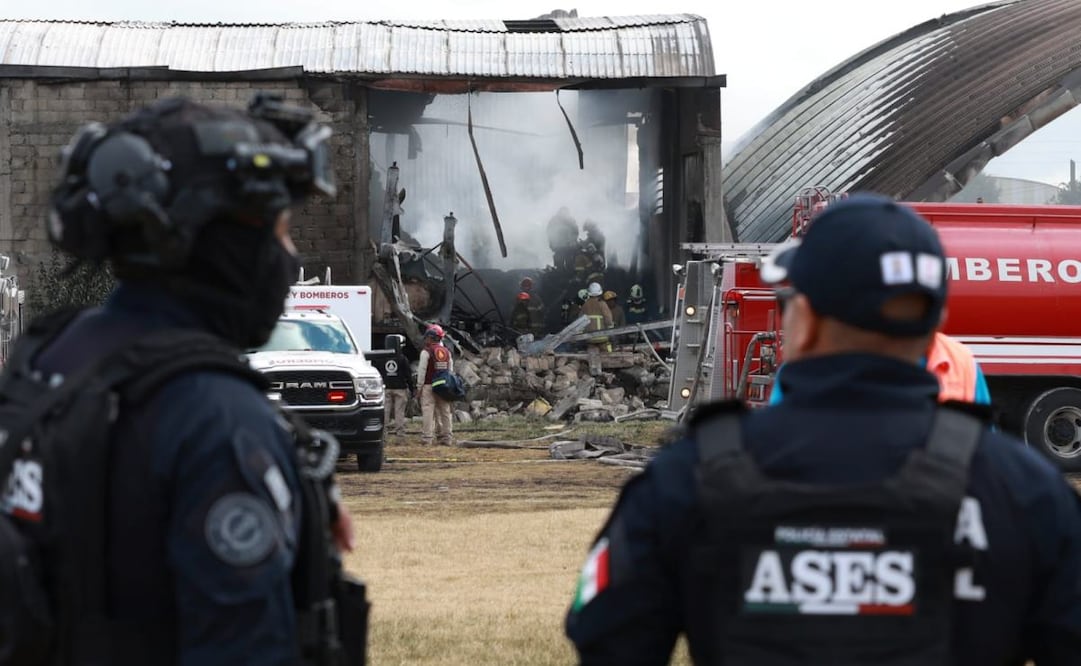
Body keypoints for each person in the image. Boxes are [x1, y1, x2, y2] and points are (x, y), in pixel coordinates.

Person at [565, 193, 1081, 665]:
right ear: (935, 320)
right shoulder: (1027, 494)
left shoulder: (687, 480)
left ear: (805, 319)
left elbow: (609, 640)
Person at [8, 95, 361, 664]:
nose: (289, 255)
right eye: (281, 229)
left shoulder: (48, 355)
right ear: (216, 238)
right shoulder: (216, 417)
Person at [417, 324, 453, 446]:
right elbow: (450, 371)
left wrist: (419, 388)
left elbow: (422, 372)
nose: (425, 339)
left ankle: (427, 439)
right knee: (445, 412)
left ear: (431, 337)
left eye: (427, 337)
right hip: (444, 386)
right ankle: (447, 437)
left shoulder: (426, 352)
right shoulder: (447, 352)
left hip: (428, 385)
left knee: (428, 412)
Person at [383, 334, 416, 436]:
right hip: (400, 388)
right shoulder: (403, 359)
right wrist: (412, 388)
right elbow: (408, 375)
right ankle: (400, 431)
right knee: (399, 411)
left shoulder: (381, 358)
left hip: (386, 388)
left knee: (385, 410)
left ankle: (383, 431)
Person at [580, 282, 613, 353]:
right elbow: (609, 321)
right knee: (605, 356)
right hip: (602, 337)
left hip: (589, 338)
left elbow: (580, 322)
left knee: (592, 356)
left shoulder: (585, 305)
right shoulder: (602, 304)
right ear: (600, 293)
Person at [547, 207, 579, 271]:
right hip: (559, 247)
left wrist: (573, 242)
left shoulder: (571, 220)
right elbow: (549, 232)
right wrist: (552, 243)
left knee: (570, 264)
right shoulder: (554, 220)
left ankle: (569, 276)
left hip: (568, 247)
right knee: (559, 265)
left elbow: (576, 232)